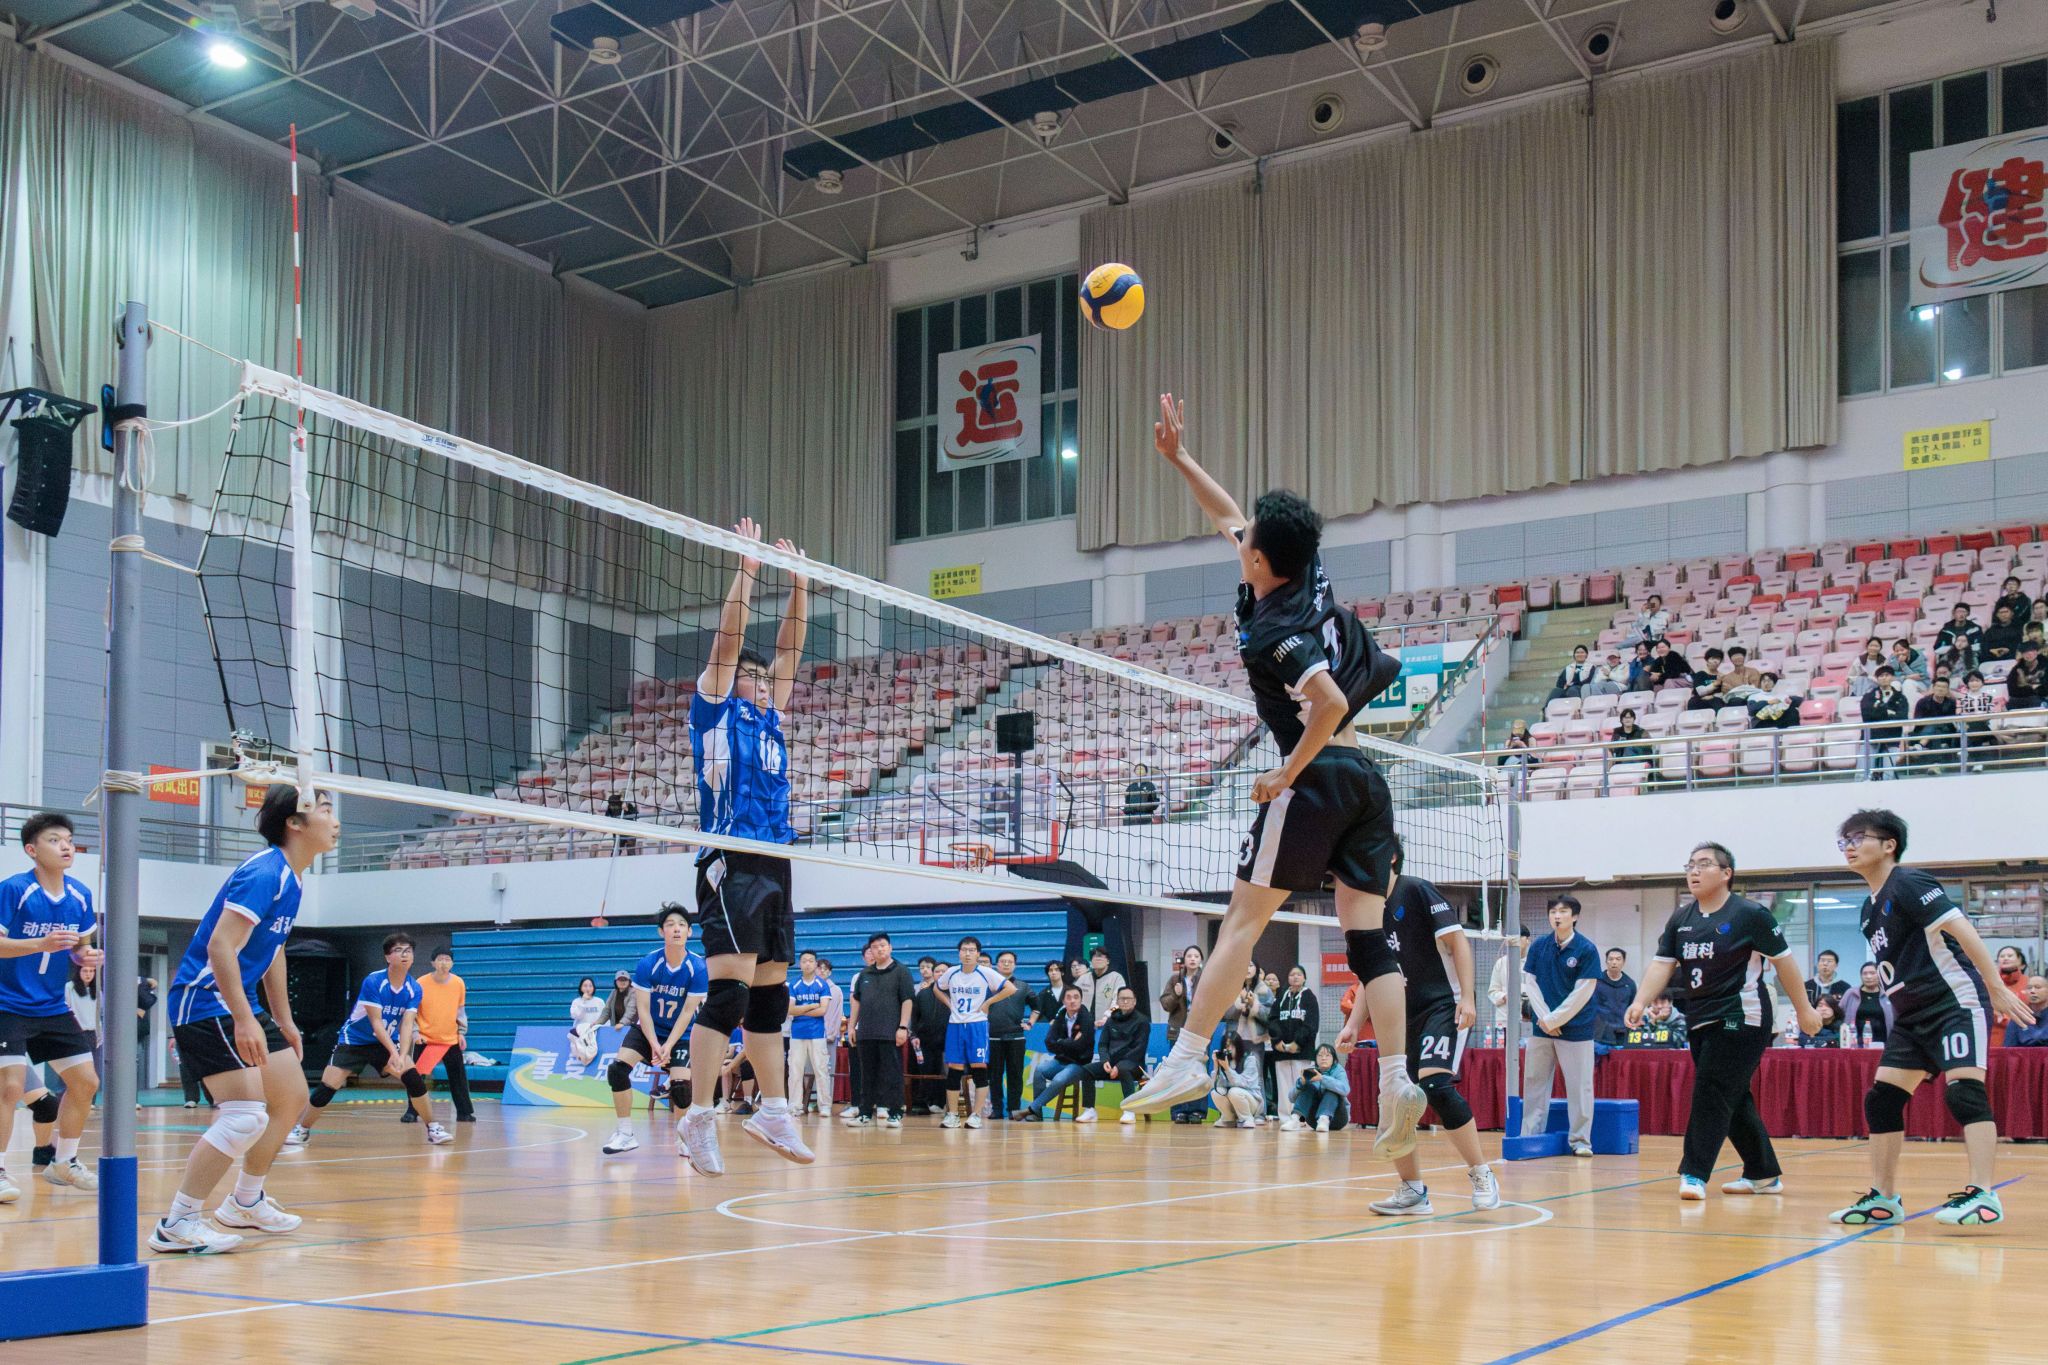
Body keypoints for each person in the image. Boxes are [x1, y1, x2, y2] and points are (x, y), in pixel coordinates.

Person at [1118, 397, 1421, 1153]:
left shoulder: (1278, 631)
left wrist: (1285, 773)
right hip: (1366, 780)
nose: (1240, 534)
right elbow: (1226, 513)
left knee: (1244, 922)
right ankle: (1396, 1079)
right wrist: (1179, 459)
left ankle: (1187, 1059)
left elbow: (1331, 701)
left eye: (1247, 538)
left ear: (1259, 560)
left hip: (1319, 776)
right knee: (1369, 941)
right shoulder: (1299, 564)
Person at [680, 517, 812, 1175]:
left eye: (764, 680)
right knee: (729, 993)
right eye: (750, 678)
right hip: (728, 858)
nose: (760, 683)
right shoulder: (713, 709)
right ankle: (698, 1115)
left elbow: (789, 650)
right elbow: (728, 644)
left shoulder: (769, 716)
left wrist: (800, 585)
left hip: (775, 861)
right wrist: (747, 571)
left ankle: (775, 1109)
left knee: (769, 995)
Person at [1829, 809, 2035, 1227]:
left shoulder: (1909, 882)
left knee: (1964, 1094)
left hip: (1952, 1003)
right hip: (1911, 1017)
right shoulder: (1868, 911)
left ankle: (1984, 1195)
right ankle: (1884, 1199)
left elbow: (1962, 929)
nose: (1850, 846)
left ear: (1889, 845)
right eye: (1844, 840)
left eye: (1859, 837)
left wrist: (1994, 985)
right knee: (1882, 1100)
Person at [152, 786, 334, 1254]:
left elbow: (273, 952)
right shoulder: (264, 872)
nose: (335, 821)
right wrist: (243, 1018)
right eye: (325, 810)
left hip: (240, 1002)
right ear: (294, 822)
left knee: (291, 1098)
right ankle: (178, 1223)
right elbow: (220, 946)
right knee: (244, 1117)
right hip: (204, 1000)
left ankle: (245, 1202)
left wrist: (283, 1019)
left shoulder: (292, 878)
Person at [1627, 843, 1820, 1200]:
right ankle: (1763, 1173)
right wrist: (1640, 1001)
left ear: (1726, 873)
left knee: (1711, 1089)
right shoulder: (1681, 919)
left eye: (1704, 864)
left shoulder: (1751, 915)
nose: (1694, 871)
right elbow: (1661, 965)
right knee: (1732, 1094)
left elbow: (1784, 962)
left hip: (1741, 1016)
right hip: (1699, 1018)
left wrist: (1805, 1009)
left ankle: (1694, 1173)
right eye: (1690, 865)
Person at [1362, 862, 1500, 1213]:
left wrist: (1467, 997)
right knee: (1396, 1096)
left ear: (1389, 857)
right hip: (1401, 1014)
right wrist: (1352, 1024)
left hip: (1442, 1005)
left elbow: (1457, 941)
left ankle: (1482, 1173)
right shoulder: (1366, 907)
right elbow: (1371, 974)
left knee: (1435, 1084)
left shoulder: (1416, 889)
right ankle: (1412, 1191)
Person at [0, 812, 104, 1203]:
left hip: (50, 1006)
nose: (66, 846)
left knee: (86, 1082)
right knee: (11, 1088)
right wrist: (39, 944)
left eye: (69, 840)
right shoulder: (14, 890)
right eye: (54, 840)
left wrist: (86, 958)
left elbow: (79, 947)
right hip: (7, 1003)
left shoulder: (79, 895)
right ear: (32, 849)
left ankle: (63, 1162)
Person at [288, 932, 450, 1148]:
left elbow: (407, 1024)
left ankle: (433, 1128)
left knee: (413, 1078)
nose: (405, 955)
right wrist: (393, 1052)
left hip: (386, 1042)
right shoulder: (374, 981)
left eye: (408, 951)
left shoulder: (414, 989)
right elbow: (376, 1023)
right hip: (355, 1040)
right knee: (329, 1085)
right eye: (398, 950)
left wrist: (402, 1055)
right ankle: (302, 1129)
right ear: (388, 957)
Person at [599, 905, 708, 1155]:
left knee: (680, 1087)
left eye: (681, 924)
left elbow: (688, 1012)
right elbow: (643, 1010)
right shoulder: (648, 963)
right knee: (617, 1070)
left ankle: (684, 1139)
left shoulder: (698, 967)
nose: (676, 929)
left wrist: (668, 1045)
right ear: (661, 932)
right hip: (648, 1030)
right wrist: (654, 1044)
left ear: (690, 932)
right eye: (670, 925)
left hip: (681, 1035)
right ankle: (625, 1134)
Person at [1520, 896, 1600, 1157]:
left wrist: (1554, 1020)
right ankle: (1530, 1136)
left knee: (1579, 1087)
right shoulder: (1539, 946)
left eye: (1563, 911)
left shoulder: (1586, 949)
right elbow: (1530, 984)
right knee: (1534, 1084)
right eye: (1553, 911)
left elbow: (1583, 991)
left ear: (1574, 916)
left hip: (1576, 1031)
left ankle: (1581, 1141)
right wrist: (1545, 1019)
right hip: (1541, 1029)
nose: (1557, 916)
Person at [1035, 986, 1148, 1124]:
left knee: (1124, 1069)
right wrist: (1105, 1060)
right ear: (1117, 1001)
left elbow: (1138, 1049)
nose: (1125, 1001)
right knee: (1087, 1070)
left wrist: (1118, 1066)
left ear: (1134, 1001)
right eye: (1122, 998)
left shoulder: (1142, 1021)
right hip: (1110, 1064)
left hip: (1134, 1065)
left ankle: (1129, 1110)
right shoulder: (1111, 1019)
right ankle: (1089, 1110)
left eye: (1128, 998)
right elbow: (1103, 1044)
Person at [934, 937, 1013, 1129]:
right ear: (959, 953)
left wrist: (988, 1003)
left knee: (979, 1068)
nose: (967, 954)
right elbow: (937, 987)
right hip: (955, 1025)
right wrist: (949, 1004)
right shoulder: (952, 972)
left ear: (978, 953)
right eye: (964, 950)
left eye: (971, 950)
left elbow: (1010, 988)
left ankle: (976, 1115)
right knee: (954, 1069)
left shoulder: (986, 973)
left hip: (977, 1025)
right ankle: (952, 1115)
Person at [845, 932, 915, 1127]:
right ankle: (865, 1113)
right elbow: (856, 1001)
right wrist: (852, 1026)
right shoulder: (865, 974)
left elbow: (907, 1000)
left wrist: (903, 1027)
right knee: (866, 1075)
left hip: (890, 1033)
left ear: (890, 947)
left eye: (883, 945)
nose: (879, 949)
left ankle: (895, 1112)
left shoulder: (901, 971)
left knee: (892, 1074)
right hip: (866, 1033)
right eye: (875, 947)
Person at [407, 946, 474, 1124]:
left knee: (458, 1078)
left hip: (450, 1040)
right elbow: (412, 1012)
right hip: (425, 1039)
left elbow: (461, 1011)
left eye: (447, 959)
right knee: (416, 1078)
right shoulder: (421, 982)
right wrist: (415, 1033)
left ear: (452, 963)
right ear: (433, 962)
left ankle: (464, 1112)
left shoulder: (458, 983)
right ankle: (412, 1112)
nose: (444, 963)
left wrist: (461, 1033)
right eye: (440, 959)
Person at [1023, 986, 1095, 1121]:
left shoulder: (1087, 1019)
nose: (1072, 1001)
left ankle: (1032, 1108)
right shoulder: (1061, 1016)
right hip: (1061, 1060)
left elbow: (1081, 1046)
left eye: (1076, 997)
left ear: (1081, 1000)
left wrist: (1060, 1042)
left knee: (1059, 1079)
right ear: (1063, 1001)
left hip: (1079, 1064)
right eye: (1069, 997)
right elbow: (1049, 1042)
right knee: (1039, 1070)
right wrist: (1068, 1042)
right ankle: (1037, 1114)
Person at [1269, 966, 1320, 1129]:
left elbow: (1311, 1023)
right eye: (1292, 974)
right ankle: (1285, 1118)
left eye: (1299, 974)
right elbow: (1273, 1019)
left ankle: (1302, 1118)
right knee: (1284, 1085)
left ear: (1304, 978)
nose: (1295, 977)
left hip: (1302, 1051)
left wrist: (1297, 1042)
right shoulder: (1281, 997)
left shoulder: (1309, 997)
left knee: (1303, 1084)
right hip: (1281, 1051)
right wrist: (1277, 1041)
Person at [786, 951, 833, 1116]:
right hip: (797, 1034)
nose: (807, 964)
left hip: (817, 1033)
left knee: (821, 1070)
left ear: (815, 964)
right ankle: (795, 1106)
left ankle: (824, 1106)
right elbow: (790, 1010)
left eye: (811, 961)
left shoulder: (822, 985)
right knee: (795, 1071)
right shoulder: (794, 984)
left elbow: (823, 1010)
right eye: (804, 961)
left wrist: (801, 1009)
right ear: (800, 964)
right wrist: (811, 1006)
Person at [986, 951, 1031, 1120]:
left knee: (1015, 1074)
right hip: (993, 1037)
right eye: (1003, 961)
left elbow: (1037, 1006)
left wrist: (1030, 1022)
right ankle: (997, 1109)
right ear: (996, 964)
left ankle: (1014, 1109)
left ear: (1015, 965)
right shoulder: (988, 986)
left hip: (1016, 1038)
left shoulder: (1023, 986)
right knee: (994, 1075)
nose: (1006, 964)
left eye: (1010, 961)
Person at [909, 957, 949, 1115]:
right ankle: (924, 1102)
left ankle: (942, 1102)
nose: (940, 974)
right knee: (925, 1071)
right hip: (925, 1041)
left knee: (945, 1073)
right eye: (937, 971)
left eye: (944, 971)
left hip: (948, 1041)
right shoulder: (923, 994)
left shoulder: (955, 993)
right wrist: (914, 1035)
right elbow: (915, 1017)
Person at [1288, 1044, 1351, 1132]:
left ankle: (1324, 1119)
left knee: (1332, 1089)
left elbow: (1345, 1090)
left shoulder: (1339, 1070)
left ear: (1334, 1058)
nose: (1323, 1058)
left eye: (1327, 1055)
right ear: (1315, 1059)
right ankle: (1295, 1119)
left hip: (1338, 1118)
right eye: (1320, 1055)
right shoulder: (1311, 1071)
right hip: (1314, 1121)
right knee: (1309, 1087)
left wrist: (1322, 1078)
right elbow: (1291, 1098)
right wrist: (1301, 1084)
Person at [1860, 667, 1909, 779]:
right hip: (1871, 737)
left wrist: (1879, 712)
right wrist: (1888, 712)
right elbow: (1867, 716)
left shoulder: (1901, 698)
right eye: (1881, 676)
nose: (1884, 678)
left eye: (1887, 675)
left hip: (1892, 738)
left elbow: (1902, 717)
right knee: (1862, 774)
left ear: (1892, 677)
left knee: (1888, 775)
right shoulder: (1869, 696)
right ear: (1877, 679)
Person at [1208, 1034, 1264, 1128]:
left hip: (1251, 1100)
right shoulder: (1225, 1061)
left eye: (1232, 1045)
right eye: (1226, 1046)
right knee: (1216, 1092)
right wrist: (1216, 1065)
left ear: (1238, 1046)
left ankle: (1247, 1118)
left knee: (1234, 1092)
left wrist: (1227, 1069)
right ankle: (1228, 1118)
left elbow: (1243, 1083)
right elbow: (1218, 1085)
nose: (1229, 1049)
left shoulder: (1249, 1059)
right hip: (1234, 1099)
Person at [1909, 676, 1962, 771]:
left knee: (1937, 725)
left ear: (1947, 690)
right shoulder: (1923, 702)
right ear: (1933, 688)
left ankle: (1920, 746)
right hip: (1924, 731)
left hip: (1945, 732)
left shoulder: (1951, 703)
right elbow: (1918, 722)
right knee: (1935, 728)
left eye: (1944, 687)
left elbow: (1951, 722)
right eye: (1938, 686)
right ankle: (1936, 764)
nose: (1940, 689)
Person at [1158, 945, 1203, 1044]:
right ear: (1184, 960)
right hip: (1178, 1028)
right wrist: (1175, 995)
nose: (1192, 959)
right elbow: (1166, 1005)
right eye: (1189, 956)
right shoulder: (1175, 979)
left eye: (1196, 956)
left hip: (1199, 1029)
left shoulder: (1206, 979)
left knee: (1199, 1054)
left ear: (1201, 960)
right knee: (1176, 1054)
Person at [1594, 948, 1637, 1047]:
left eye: (1618, 959)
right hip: (1599, 1034)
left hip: (1622, 1032)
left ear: (1623, 962)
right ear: (1606, 962)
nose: (1614, 962)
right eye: (1611, 959)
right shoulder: (1596, 981)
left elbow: (1632, 1007)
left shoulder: (1630, 984)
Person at [1991, 947, 2029, 1048]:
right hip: (1994, 1038)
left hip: (2024, 1037)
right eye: (2002, 956)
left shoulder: (2030, 984)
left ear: (2022, 965)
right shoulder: (1989, 984)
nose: (2005, 958)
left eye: (2010, 956)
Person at [1847, 962, 1892, 1046]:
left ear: (1879, 975)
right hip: (1855, 1044)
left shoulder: (1888, 994)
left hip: (1884, 1043)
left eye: (1872, 973)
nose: (1868, 976)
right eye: (1865, 973)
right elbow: (1839, 1013)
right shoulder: (1851, 993)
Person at [569, 977, 606, 1068]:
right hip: (581, 1034)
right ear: (581, 988)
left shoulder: (599, 1001)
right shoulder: (577, 1002)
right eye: (585, 986)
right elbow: (575, 1015)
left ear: (593, 988)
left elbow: (605, 1017)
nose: (588, 988)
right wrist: (583, 1002)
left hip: (596, 1032)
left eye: (590, 986)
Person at [1936, 605, 1983, 673]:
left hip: (1970, 654)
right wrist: (1953, 648)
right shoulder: (1945, 630)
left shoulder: (1975, 628)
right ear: (1953, 613)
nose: (1961, 614)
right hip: (1950, 655)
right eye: (1958, 612)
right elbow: (1937, 648)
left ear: (1968, 613)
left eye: (1963, 612)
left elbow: (1980, 645)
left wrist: (1966, 647)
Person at [2004, 977, 2048, 1046]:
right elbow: (2009, 1047)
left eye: (2038, 987)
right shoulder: (2018, 1017)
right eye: (2029, 988)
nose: (2032, 991)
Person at [1085, 946, 1125, 1021]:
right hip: (1085, 1022)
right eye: (1095, 956)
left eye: (1101, 956)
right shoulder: (1083, 978)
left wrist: (1107, 1016)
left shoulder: (1116, 978)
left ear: (1108, 961)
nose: (1098, 959)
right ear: (1091, 961)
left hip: (1108, 1021)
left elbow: (1117, 1002)